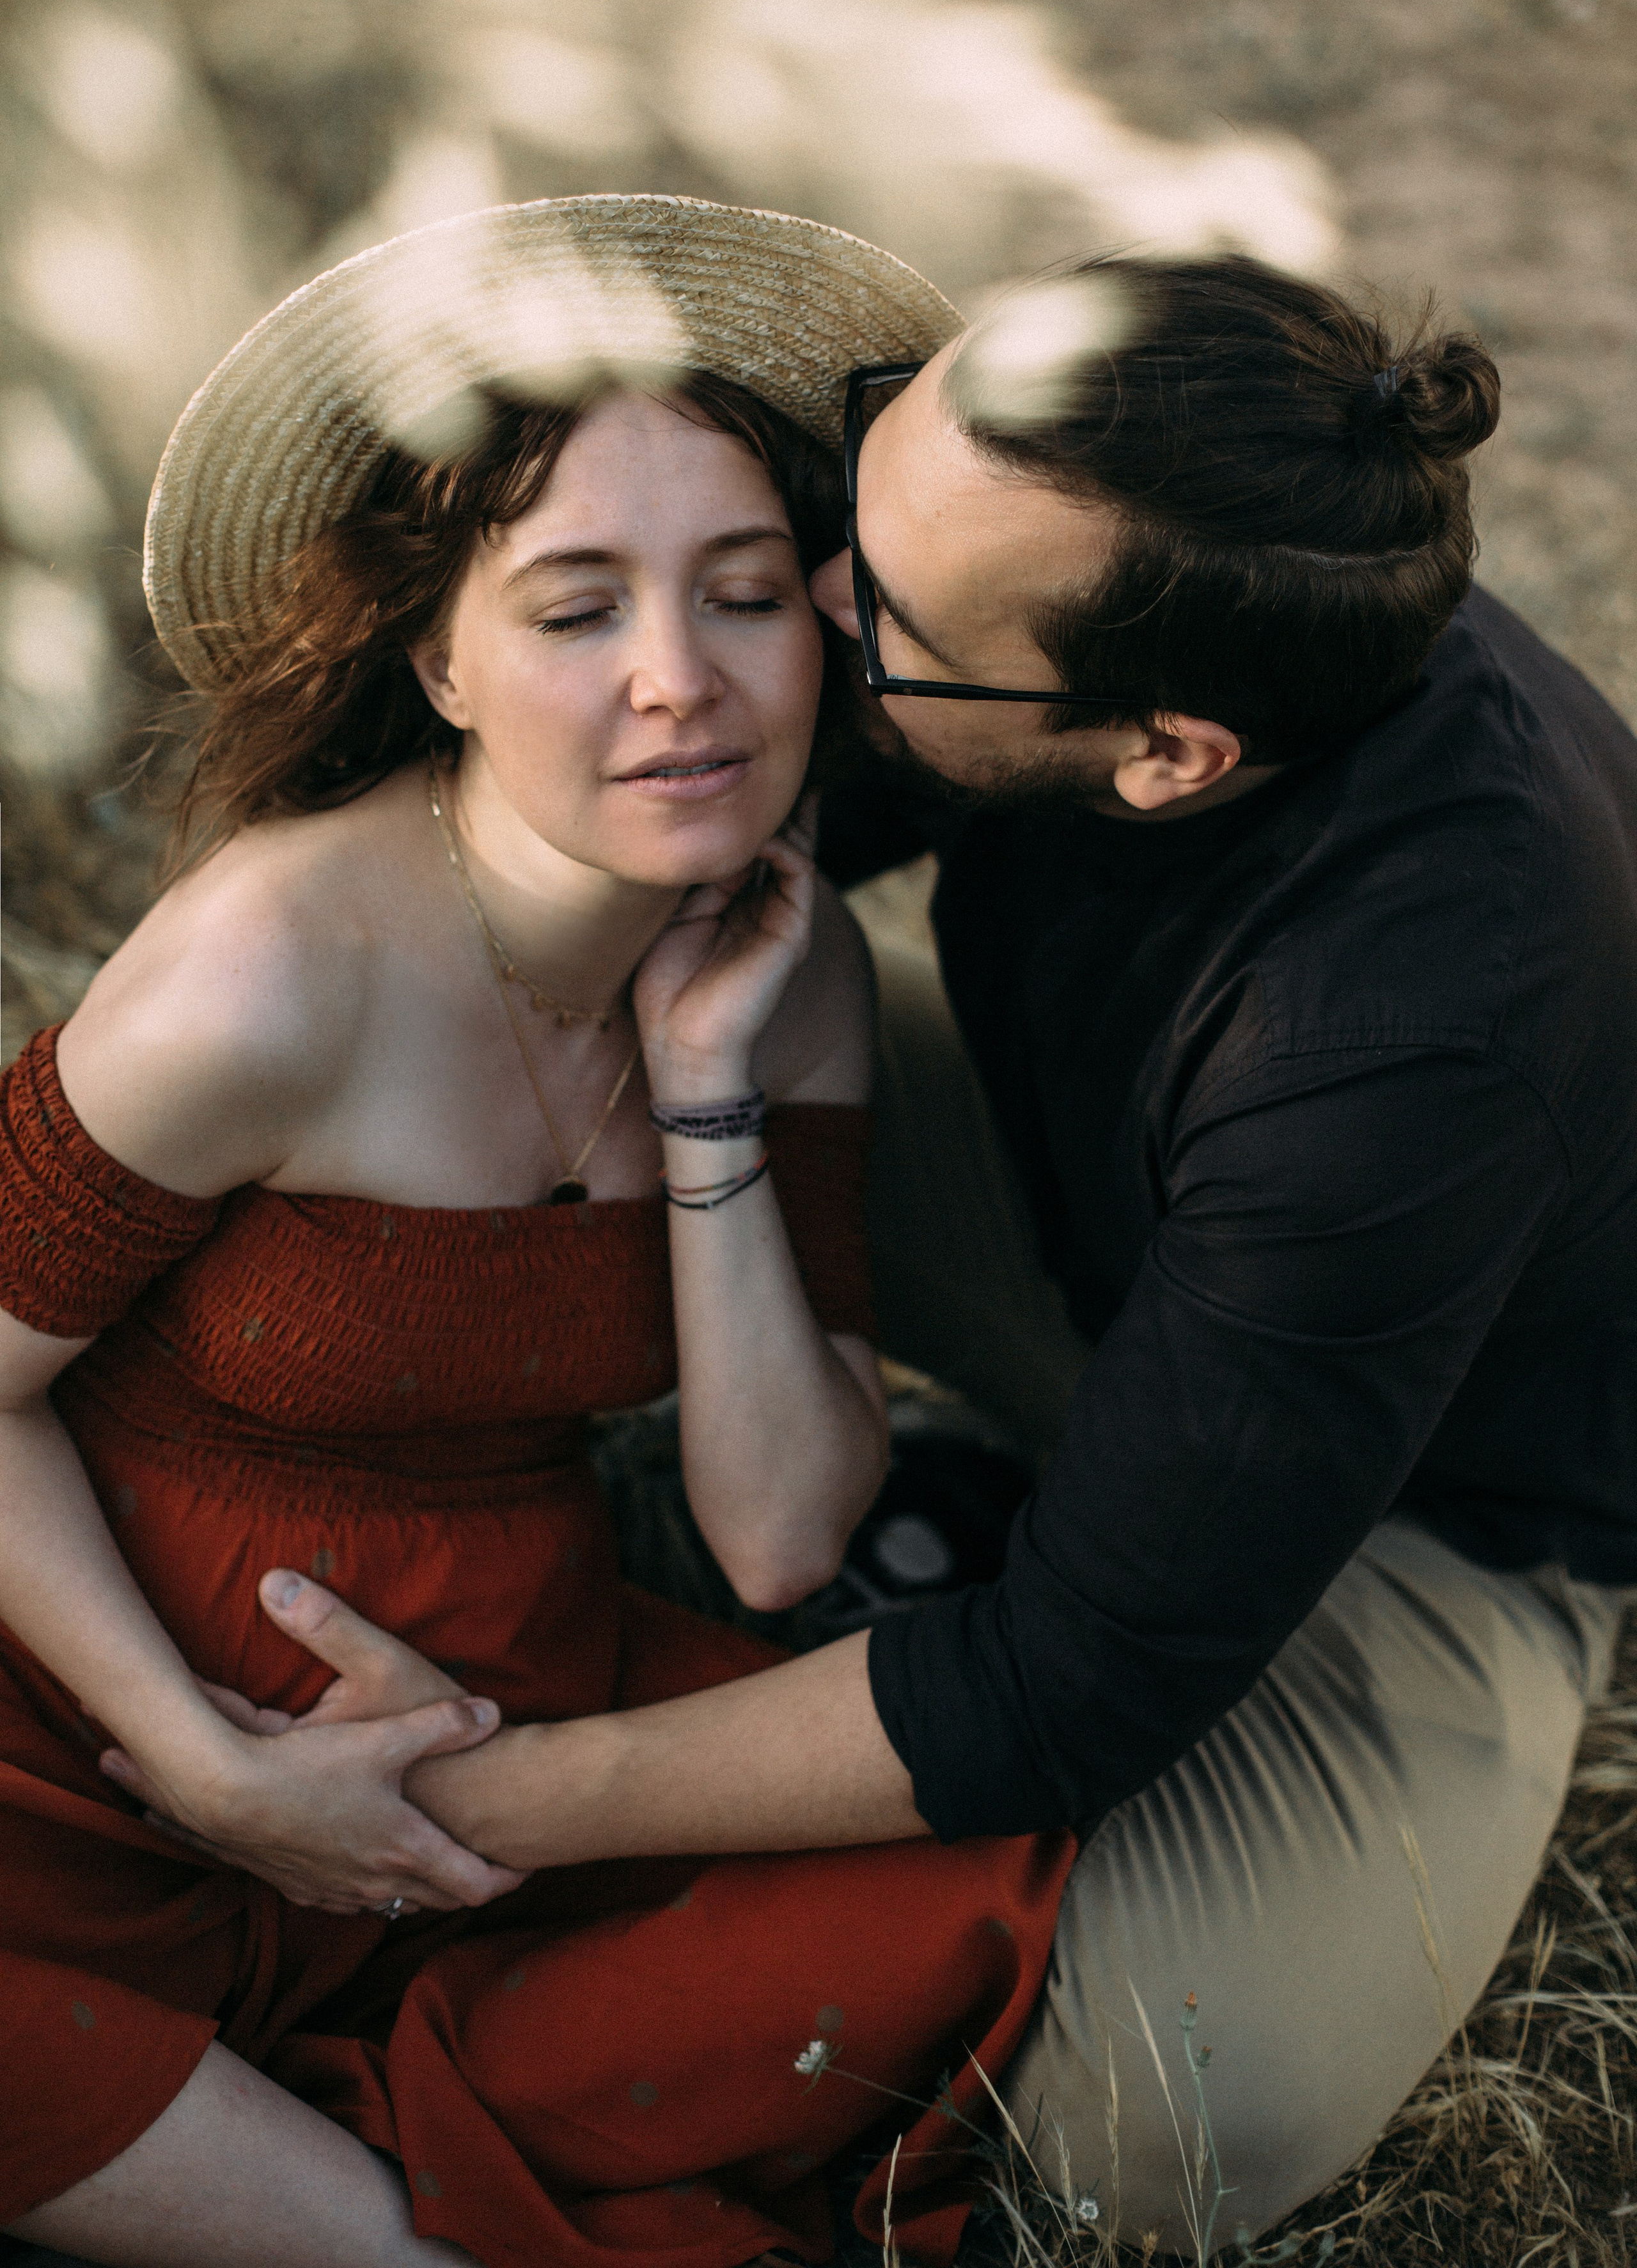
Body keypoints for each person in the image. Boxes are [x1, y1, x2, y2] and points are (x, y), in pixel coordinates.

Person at [162, 249, 1637, 2255]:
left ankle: (976, 1529)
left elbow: (1070, 1688)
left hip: (1429, 1486)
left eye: (890, 615)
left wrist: (462, 1802)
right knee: (514, 1019)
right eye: (861, 486)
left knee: (1173, 2109)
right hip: (1080, 1196)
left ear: (1168, 752)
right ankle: (958, 1507)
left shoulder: (1416, 1031)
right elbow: (643, 786)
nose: (822, 604)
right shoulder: (1042, 551)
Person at [0, 198, 1077, 2268]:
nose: (683, 684)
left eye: (747, 594)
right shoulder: (268, 975)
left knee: (967, 1884)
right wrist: (203, 1770)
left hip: (501, 1727)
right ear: (440, 658)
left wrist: (704, 1090)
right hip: (86, 1736)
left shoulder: (792, 971)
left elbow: (775, 1538)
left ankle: (312, 2126)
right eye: (579, 609)